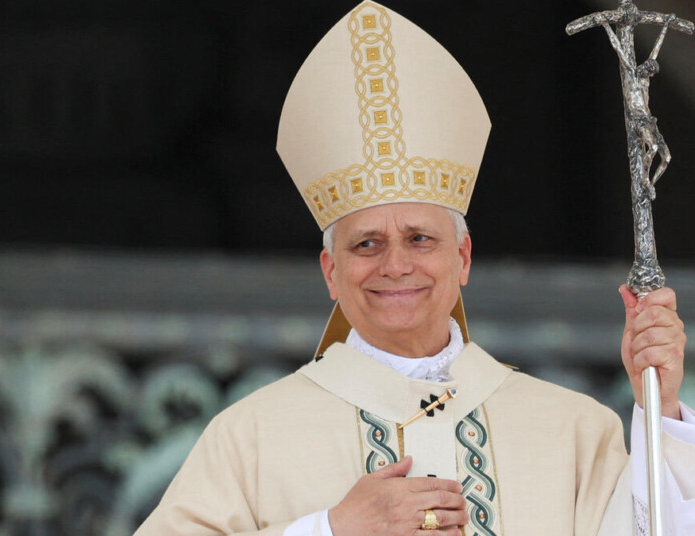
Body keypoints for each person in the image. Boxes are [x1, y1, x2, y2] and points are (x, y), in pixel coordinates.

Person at [135, 2, 694, 534]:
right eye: (367, 244)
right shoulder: (249, 436)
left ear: (463, 257)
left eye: (420, 238)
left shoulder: (574, 431)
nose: (395, 264)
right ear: (331, 271)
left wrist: (659, 409)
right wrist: (329, 529)